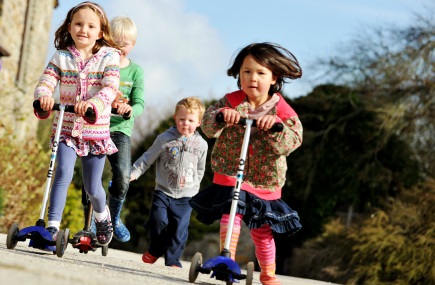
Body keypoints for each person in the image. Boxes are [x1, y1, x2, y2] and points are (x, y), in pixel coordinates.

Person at [188, 42, 303, 285]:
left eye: (261, 73)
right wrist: (221, 116)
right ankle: (225, 257)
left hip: (264, 179)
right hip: (232, 171)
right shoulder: (231, 101)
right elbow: (207, 125)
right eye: (247, 72)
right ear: (239, 74)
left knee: (262, 232)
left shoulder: (282, 109)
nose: (253, 78)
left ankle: (268, 273)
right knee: (232, 212)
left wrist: (276, 128)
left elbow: (293, 140)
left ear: (274, 78)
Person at [34, 1, 120, 246]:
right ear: (69, 27)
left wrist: (93, 104)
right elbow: (47, 81)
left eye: (91, 26)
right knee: (61, 173)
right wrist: (44, 97)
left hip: (95, 131)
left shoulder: (109, 57)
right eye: (78, 24)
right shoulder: (61, 57)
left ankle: (103, 217)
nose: (84, 29)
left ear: (100, 32)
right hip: (66, 127)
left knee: (93, 187)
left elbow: (110, 88)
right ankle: (52, 227)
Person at [130, 97, 208, 268]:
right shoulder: (164, 138)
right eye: (181, 119)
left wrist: (196, 189)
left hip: (187, 195)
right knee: (157, 221)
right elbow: (147, 158)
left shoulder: (201, 145)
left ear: (199, 123)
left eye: (190, 120)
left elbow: (201, 169)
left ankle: (172, 260)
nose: (185, 123)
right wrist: (134, 172)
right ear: (175, 118)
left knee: (179, 229)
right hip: (163, 191)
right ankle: (156, 249)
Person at [101, 15, 145, 242]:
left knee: (123, 176)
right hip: (96, 126)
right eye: (114, 42)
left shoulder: (135, 72)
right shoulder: (101, 65)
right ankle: (94, 218)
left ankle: (114, 217)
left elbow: (140, 103)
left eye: (124, 43)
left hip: (120, 131)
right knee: (92, 175)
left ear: (133, 45)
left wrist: (130, 110)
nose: (119, 47)